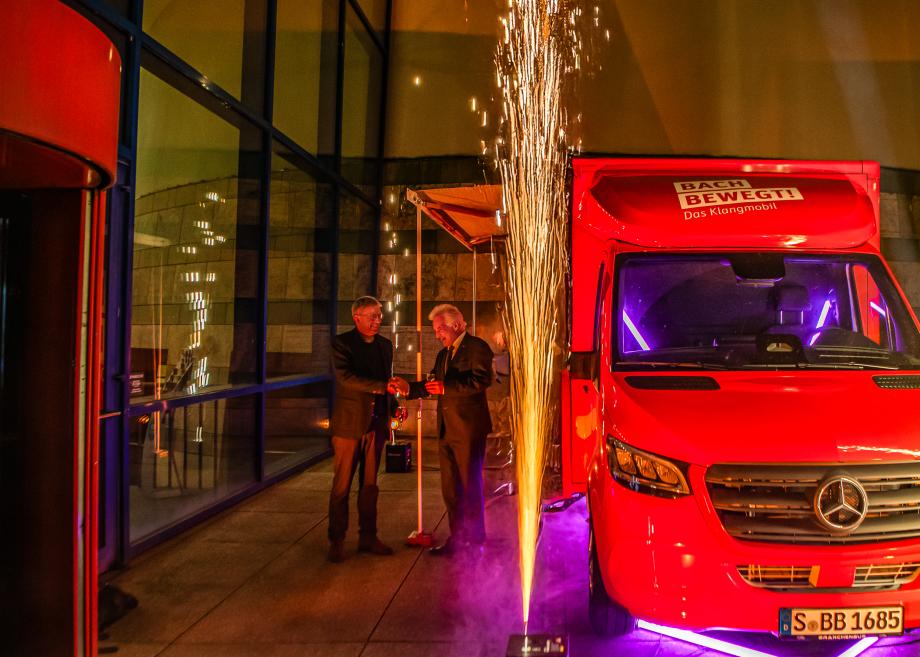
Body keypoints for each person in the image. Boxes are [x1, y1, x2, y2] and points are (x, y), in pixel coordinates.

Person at [393, 304, 493, 556]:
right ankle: (457, 539)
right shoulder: (443, 355)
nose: (437, 334)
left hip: (468, 429)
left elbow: (482, 380)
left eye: (440, 329)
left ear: (457, 325)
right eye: (436, 330)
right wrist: (409, 389)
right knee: (451, 490)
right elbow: (432, 385)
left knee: (470, 486)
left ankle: (476, 540)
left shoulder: (477, 347)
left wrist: (447, 387)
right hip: (446, 430)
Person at [327, 296, 402, 563]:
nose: (377, 321)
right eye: (371, 316)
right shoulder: (342, 343)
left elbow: (386, 379)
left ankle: (368, 536)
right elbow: (347, 378)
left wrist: (392, 405)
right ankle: (337, 539)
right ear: (356, 317)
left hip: (375, 424)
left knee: (370, 485)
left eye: (379, 315)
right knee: (342, 486)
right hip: (349, 424)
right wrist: (383, 387)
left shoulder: (384, 345)